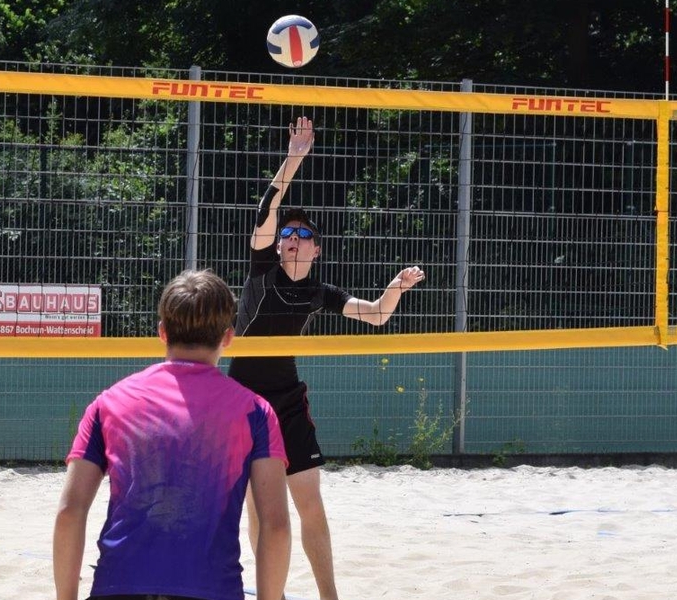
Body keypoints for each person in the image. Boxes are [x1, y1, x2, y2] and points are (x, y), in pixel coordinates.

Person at [228, 117, 426, 600]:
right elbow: (266, 209)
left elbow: (376, 315)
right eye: (287, 232)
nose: (292, 236)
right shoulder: (263, 267)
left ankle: (329, 597)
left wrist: (395, 288)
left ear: (316, 249)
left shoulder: (319, 291)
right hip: (245, 399)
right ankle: (269, 592)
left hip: (288, 399)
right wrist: (294, 157)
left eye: (302, 232)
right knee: (261, 509)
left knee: (310, 505)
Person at [53, 269, 291, 600]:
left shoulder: (109, 402)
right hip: (211, 590)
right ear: (227, 337)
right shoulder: (256, 412)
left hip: (119, 587)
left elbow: (70, 511)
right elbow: (275, 526)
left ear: (162, 332)